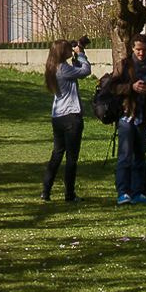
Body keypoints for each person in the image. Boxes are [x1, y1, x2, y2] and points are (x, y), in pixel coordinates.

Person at [114, 32, 146, 206]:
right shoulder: (124, 66)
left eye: (143, 50)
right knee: (125, 156)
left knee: (139, 157)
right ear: (132, 49)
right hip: (126, 116)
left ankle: (137, 192)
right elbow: (112, 88)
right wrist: (131, 87)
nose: (140, 53)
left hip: (143, 118)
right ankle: (123, 192)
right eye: (137, 50)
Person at [41, 37, 92, 202]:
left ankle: (46, 191)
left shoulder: (53, 67)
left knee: (57, 153)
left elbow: (76, 72)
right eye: (69, 49)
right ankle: (69, 194)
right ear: (63, 52)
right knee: (71, 157)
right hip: (71, 116)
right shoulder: (64, 69)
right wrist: (82, 54)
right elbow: (85, 71)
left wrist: (76, 57)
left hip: (58, 116)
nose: (72, 50)